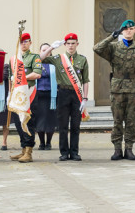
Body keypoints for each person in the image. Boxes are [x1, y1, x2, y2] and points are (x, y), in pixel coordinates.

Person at [94, 21, 135, 161]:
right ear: (122, 31)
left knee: (130, 121)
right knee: (117, 120)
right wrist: (112, 36)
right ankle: (117, 149)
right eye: (125, 29)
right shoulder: (113, 47)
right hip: (117, 88)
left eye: (131, 29)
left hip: (133, 87)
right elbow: (97, 48)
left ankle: (129, 149)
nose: (128, 31)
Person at [39, 33, 90, 161]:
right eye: (68, 43)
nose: (71, 46)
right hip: (62, 93)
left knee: (75, 125)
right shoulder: (58, 58)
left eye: (73, 43)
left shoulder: (82, 60)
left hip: (76, 94)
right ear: (65, 45)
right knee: (62, 125)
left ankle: (74, 152)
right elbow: (40, 58)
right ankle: (64, 152)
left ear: (77, 44)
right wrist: (51, 48)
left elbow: (85, 80)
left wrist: (85, 98)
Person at [6, 32, 42, 163]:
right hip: (16, 94)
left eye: (26, 41)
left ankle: (29, 151)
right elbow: (10, 77)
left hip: (29, 93)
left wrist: (22, 78)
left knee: (28, 122)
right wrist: (10, 93)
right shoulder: (14, 58)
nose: (23, 44)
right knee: (18, 122)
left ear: (30, 43)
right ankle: (23, 149)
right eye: (21, 42)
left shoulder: (34, 57)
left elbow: (37, 74)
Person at [31, 43, 58, 150]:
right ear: (40, 52)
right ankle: (42, 142)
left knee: (50, 120)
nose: (45, 52)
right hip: (38, 95)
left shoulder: (54, 63)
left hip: (51, 95)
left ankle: (49, 142)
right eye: (43, 50)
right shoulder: (36, 63)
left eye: (47, 50)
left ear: (51, 51)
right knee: (39, 120)